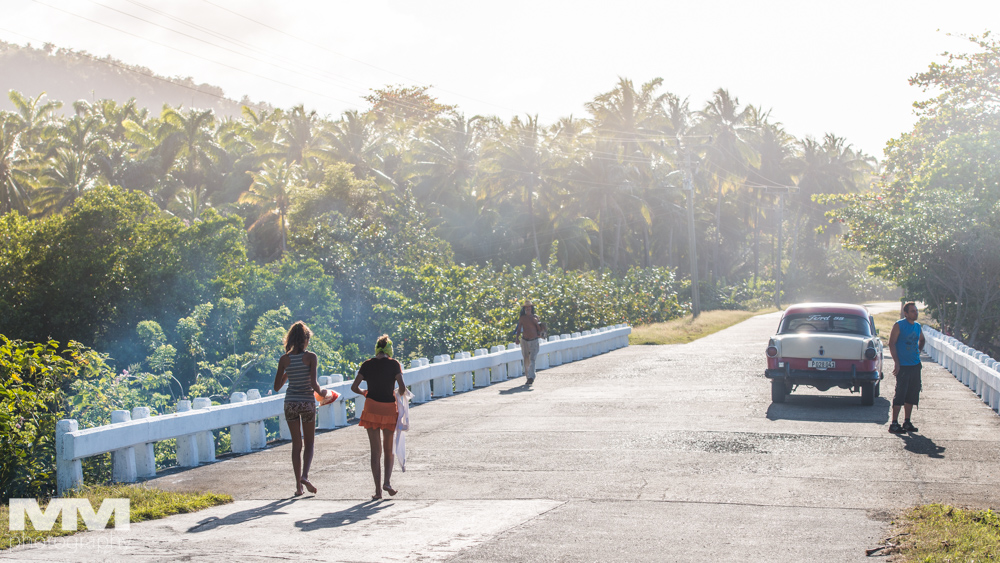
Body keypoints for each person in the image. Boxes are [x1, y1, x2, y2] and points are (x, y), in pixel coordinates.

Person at [273, 321, 332, 496]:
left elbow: (277, 387)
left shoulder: (285, 359)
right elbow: (314, 384)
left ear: (290, 339)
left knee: (296, 444)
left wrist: (288, 371)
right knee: (310, 443)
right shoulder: (311, 357)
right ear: (306, 339)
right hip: (307, 402)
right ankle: (305, 476)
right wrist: (325, 393)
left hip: (290, 403)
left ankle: (298, 487)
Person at [352, 334, 407, 500]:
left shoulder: (367, 365)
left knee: (375, 451)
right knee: (388, 449)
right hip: (389, 409)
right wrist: (397, 393)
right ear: (390, 350)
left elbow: (354, 387)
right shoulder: (394, 364)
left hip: (371, 407)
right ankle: (387, 483)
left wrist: (364, 392)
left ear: (376, 349)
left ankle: (377, 491)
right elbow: (402, 388)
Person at [888, 302, 925, 434]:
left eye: (916, 311)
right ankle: (894, 423)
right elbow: (891, 343)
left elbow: (922, 340)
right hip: (903, 365)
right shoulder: (899, 325)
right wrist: (896, 362)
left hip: (915, 365)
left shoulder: (917, 326)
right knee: (900, 393)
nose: (916, 313)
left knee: (912, 393)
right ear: (906, 313)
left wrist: (918, 352)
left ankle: (907, 421)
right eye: (913, 311)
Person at [514, 298, 542, 384]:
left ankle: (531, 377)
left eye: (529, 307)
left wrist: (536, 322)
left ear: (531, 308)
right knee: (526, 359)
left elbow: (539, 329)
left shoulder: (535, 317)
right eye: (526, 307)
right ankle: (528, 377)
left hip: (533, 340)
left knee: (532, 359)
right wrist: (517, 338)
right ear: (524, 309)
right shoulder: (522, 318)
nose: (528, 309)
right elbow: (519, 329)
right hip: (524, 340)